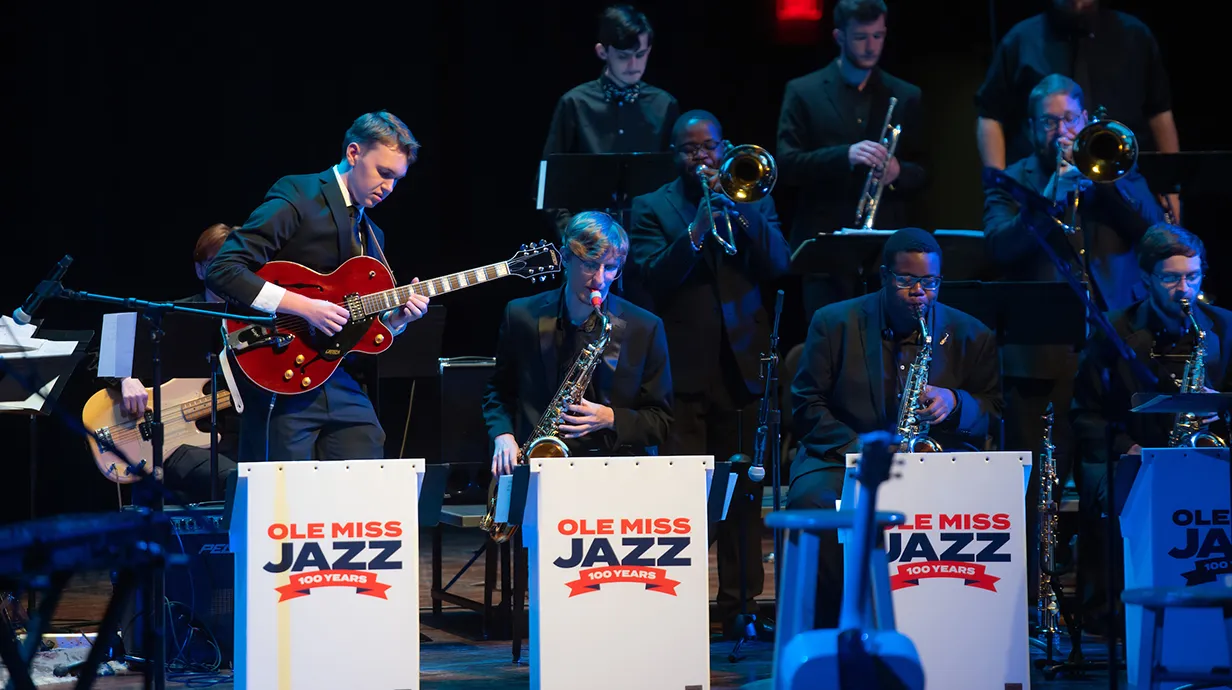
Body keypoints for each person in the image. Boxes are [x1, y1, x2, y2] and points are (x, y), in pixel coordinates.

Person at [982, 74, 1166, 610]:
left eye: (1070, 119)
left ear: (1085, 120)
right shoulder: (1011, 178)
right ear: (1033, 127)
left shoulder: (1119, 167)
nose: (1061, 130)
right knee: (1038, 487)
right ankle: (1032, 606)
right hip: (1040, 358)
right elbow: (998, 248)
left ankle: (1098, 606)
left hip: (1113, 359)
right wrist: (1048, 198)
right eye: (1050, 121)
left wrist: (1103, 187)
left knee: (1104, 484)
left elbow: (1154, 238)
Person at [628, 109, 790, 638]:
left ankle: (742, 609)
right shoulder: (652, 206)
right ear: (675, 153)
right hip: (681, 371)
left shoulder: (754, 197)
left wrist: (741, 215)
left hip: (742, 367)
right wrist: (696, 232)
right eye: (690, 150)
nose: (702, 158)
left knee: (746, 495)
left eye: (709, 148)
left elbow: (780, 264)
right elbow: (650, 280)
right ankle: (678, 603)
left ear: (724, 148)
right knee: (685, 497)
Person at [790, 227, 1002, 628]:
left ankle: (955, 625)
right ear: (885, 276)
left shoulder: (972, 333)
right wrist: (861, 451)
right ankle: (827, 629)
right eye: (906, 280)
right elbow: (806, 403)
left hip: (932, 459)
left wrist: (957, 403)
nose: (919, 292)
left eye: (929, 282)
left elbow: (994, 409)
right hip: (843, 458)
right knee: (810, 501)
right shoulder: (834, 322)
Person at [206, 111, 430, 462]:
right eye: (383, 173)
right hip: (278, 369)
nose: (388, 187)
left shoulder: (373, 234)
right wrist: (305, 307)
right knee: (283, 497)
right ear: (354, 154)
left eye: (397, 179)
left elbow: (361, 325)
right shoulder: (300, 193)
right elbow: (224, 269)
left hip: (337, 376)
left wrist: (397, 321)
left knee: (367, 467)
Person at [1070, 223, 1232, 630]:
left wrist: (1221, 410)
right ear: (1147, 278)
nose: (1184, 289)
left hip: (1211, 455)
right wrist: (1128, 448)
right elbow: (1085, 413)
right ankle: (1119, 616)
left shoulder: (1224, 327)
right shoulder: (1113, 330)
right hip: (1134, 456)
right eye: (1171, 278)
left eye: (1192, 276)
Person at [483, 211, 672, 473]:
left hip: (614, 473)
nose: (600, 280)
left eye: (611, 268)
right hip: (538, 467)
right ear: (565, 258)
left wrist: (611, 418)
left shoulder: (646, 327)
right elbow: (498, 392)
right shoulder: (521, 315)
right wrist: (502, 435)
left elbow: (661, 421)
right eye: (590, 264)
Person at [776, 0, 927, 321]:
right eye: (861, 37)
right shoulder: (804, 91)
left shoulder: (905, 94)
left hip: (885, 254)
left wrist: (898, 172)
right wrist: (844, 155)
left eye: (878, 35)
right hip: (825, 251)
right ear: (839, 36)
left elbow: (923, 172)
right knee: (829, 352)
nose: (872, 46)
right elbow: (787, 165)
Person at [974, 0, 1180, 218]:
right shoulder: (1020, 39)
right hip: (1039, 187)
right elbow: (990, 115)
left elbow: (1159, 112)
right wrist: (1002, 191)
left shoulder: (1136, 35)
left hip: (1123, 186)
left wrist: (1172, 191)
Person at [98, 223, 240, 504]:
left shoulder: (261, 320)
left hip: (239, 438)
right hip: (176, 445)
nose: (226, 272)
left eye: (235, 264)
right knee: (238, 480)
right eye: (216, 263)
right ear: (200, 270)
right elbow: (104, 351)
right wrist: (126, 379)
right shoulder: (173, 314)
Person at [541, 4, 679, 160]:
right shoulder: (575, 104)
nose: (633, 65)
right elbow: (549, 173)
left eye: (640, 55)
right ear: (602, 52)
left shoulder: (665, 105)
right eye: (623, 56)